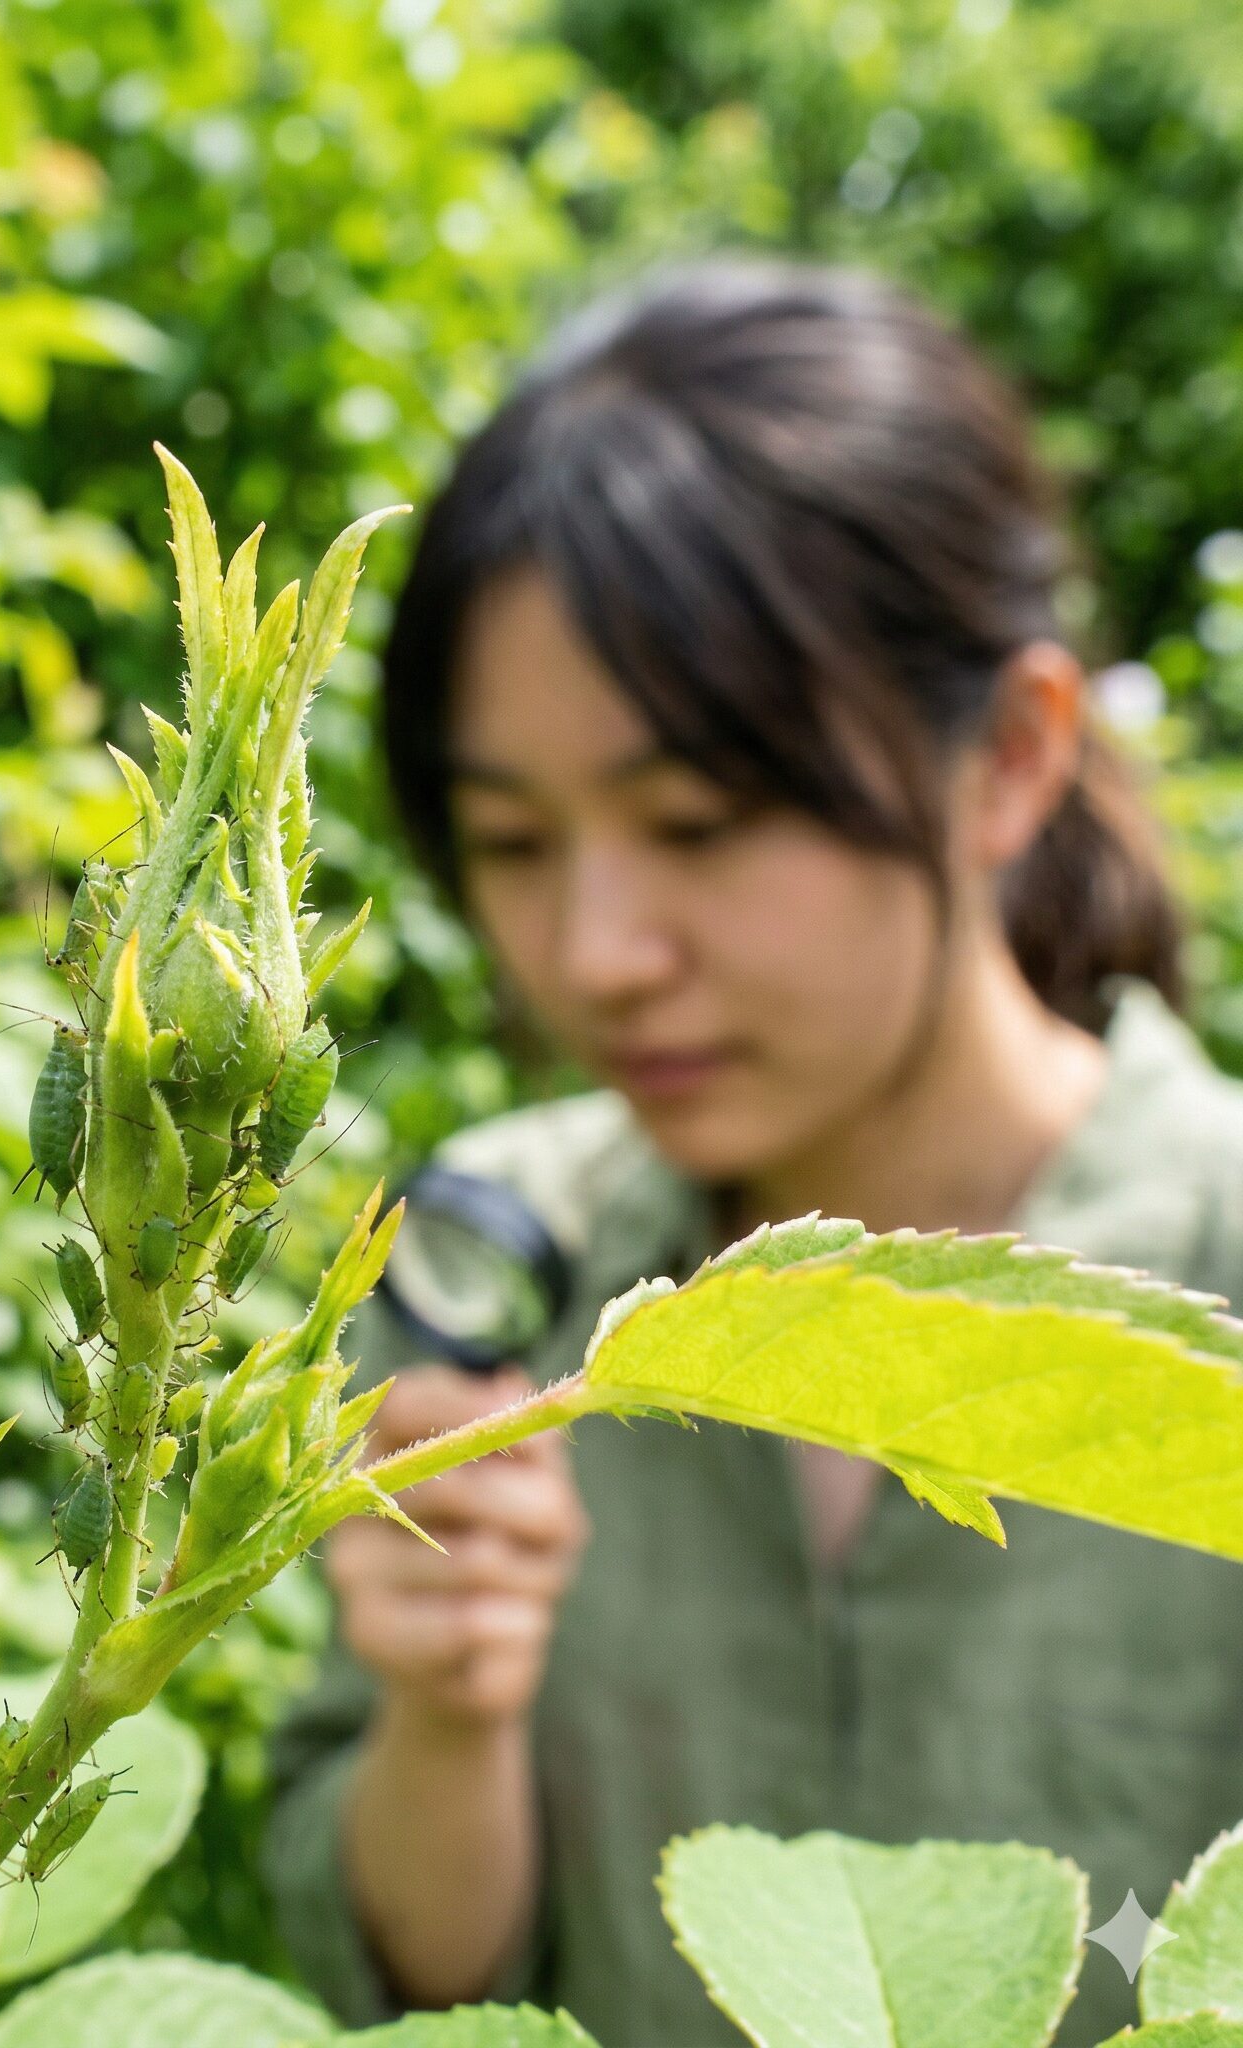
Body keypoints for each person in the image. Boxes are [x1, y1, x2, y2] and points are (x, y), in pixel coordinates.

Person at [262, 258, 1243, 2048]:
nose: (596, 950)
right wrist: (446, 1706)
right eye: (515, 841)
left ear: (1010, 760)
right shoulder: (503, 1260)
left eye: (698, 822)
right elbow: (414, 1984)